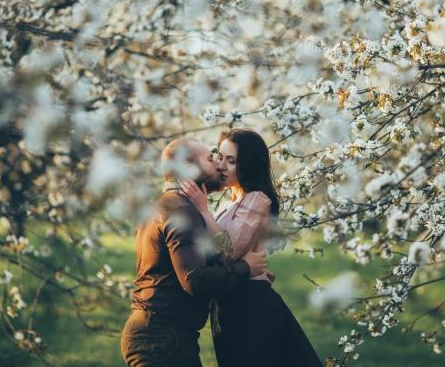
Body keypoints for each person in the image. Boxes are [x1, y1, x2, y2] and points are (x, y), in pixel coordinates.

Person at [180, 128, 323, 367]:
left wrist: (203, 210)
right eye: (220, 157)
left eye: (232, 161)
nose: (221, 166)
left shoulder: (258, 199)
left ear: (248, 164)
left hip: (250, 304)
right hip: (230, 303)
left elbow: (230, 251)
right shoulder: (229, 203)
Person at [121, 138, 268, 367]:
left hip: (159, 333)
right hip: (161, 337)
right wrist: (246, 267)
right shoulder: (182, 212)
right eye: (211, 159)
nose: (218, 166)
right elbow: (195, 280)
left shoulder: (167, 205)